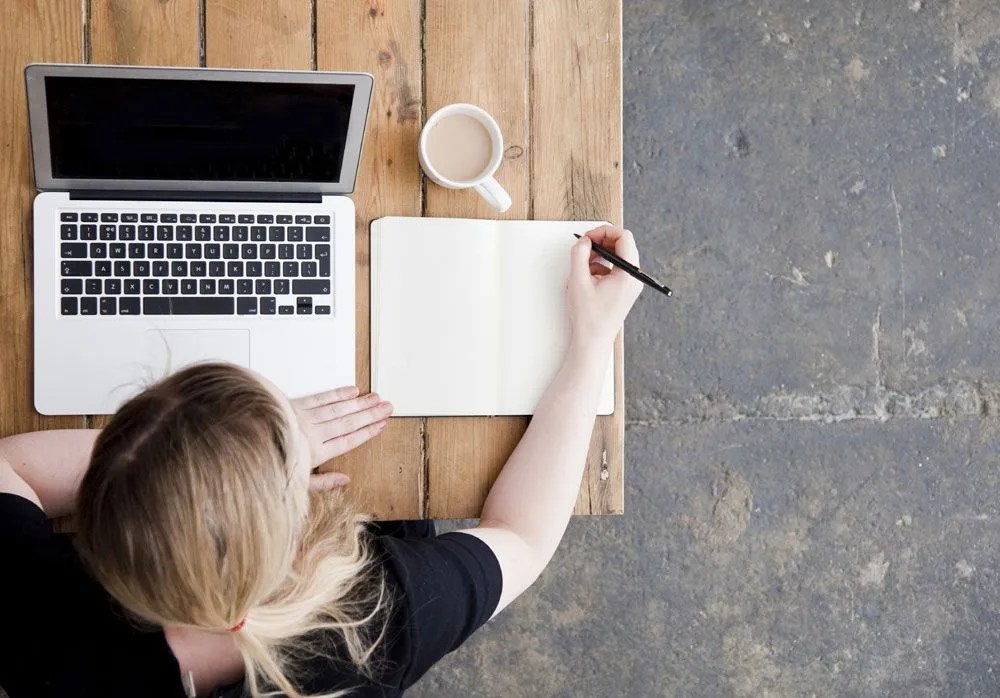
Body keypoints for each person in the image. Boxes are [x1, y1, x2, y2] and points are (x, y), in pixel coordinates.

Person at [0, 226, 642, 698]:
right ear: (293, 525)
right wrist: (591, 341)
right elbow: (522, 539)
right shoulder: (370, 622)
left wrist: (203, 466)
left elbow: (11, 470)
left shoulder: (43, 623)